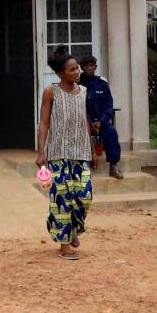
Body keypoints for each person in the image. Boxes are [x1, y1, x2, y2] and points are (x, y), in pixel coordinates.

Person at [36, 46, 95, 260]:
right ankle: (65, 245)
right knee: (63, 199)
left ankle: (71, 228)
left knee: (85, 196)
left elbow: (84, 121)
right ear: (61, 73)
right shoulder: (51, 92)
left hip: (81, 153)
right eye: (72, 69)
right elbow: (43, 123)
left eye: (77, 68)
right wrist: (41, 152)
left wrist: (92, 151)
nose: (77, 72)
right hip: (58, 154)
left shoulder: (84, 92)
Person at [79, 55, 123, 179]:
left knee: (111, 132)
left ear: (95, 67)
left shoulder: (102, 84)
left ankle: (113, 166)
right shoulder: (77, 84)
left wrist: (101, 120)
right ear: (82, 68)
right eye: (86, 66)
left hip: (100, 122)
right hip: (83, 122)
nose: (89, 68)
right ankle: (83, 167)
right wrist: (88, 121)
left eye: (91, 65)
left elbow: (108, 105)